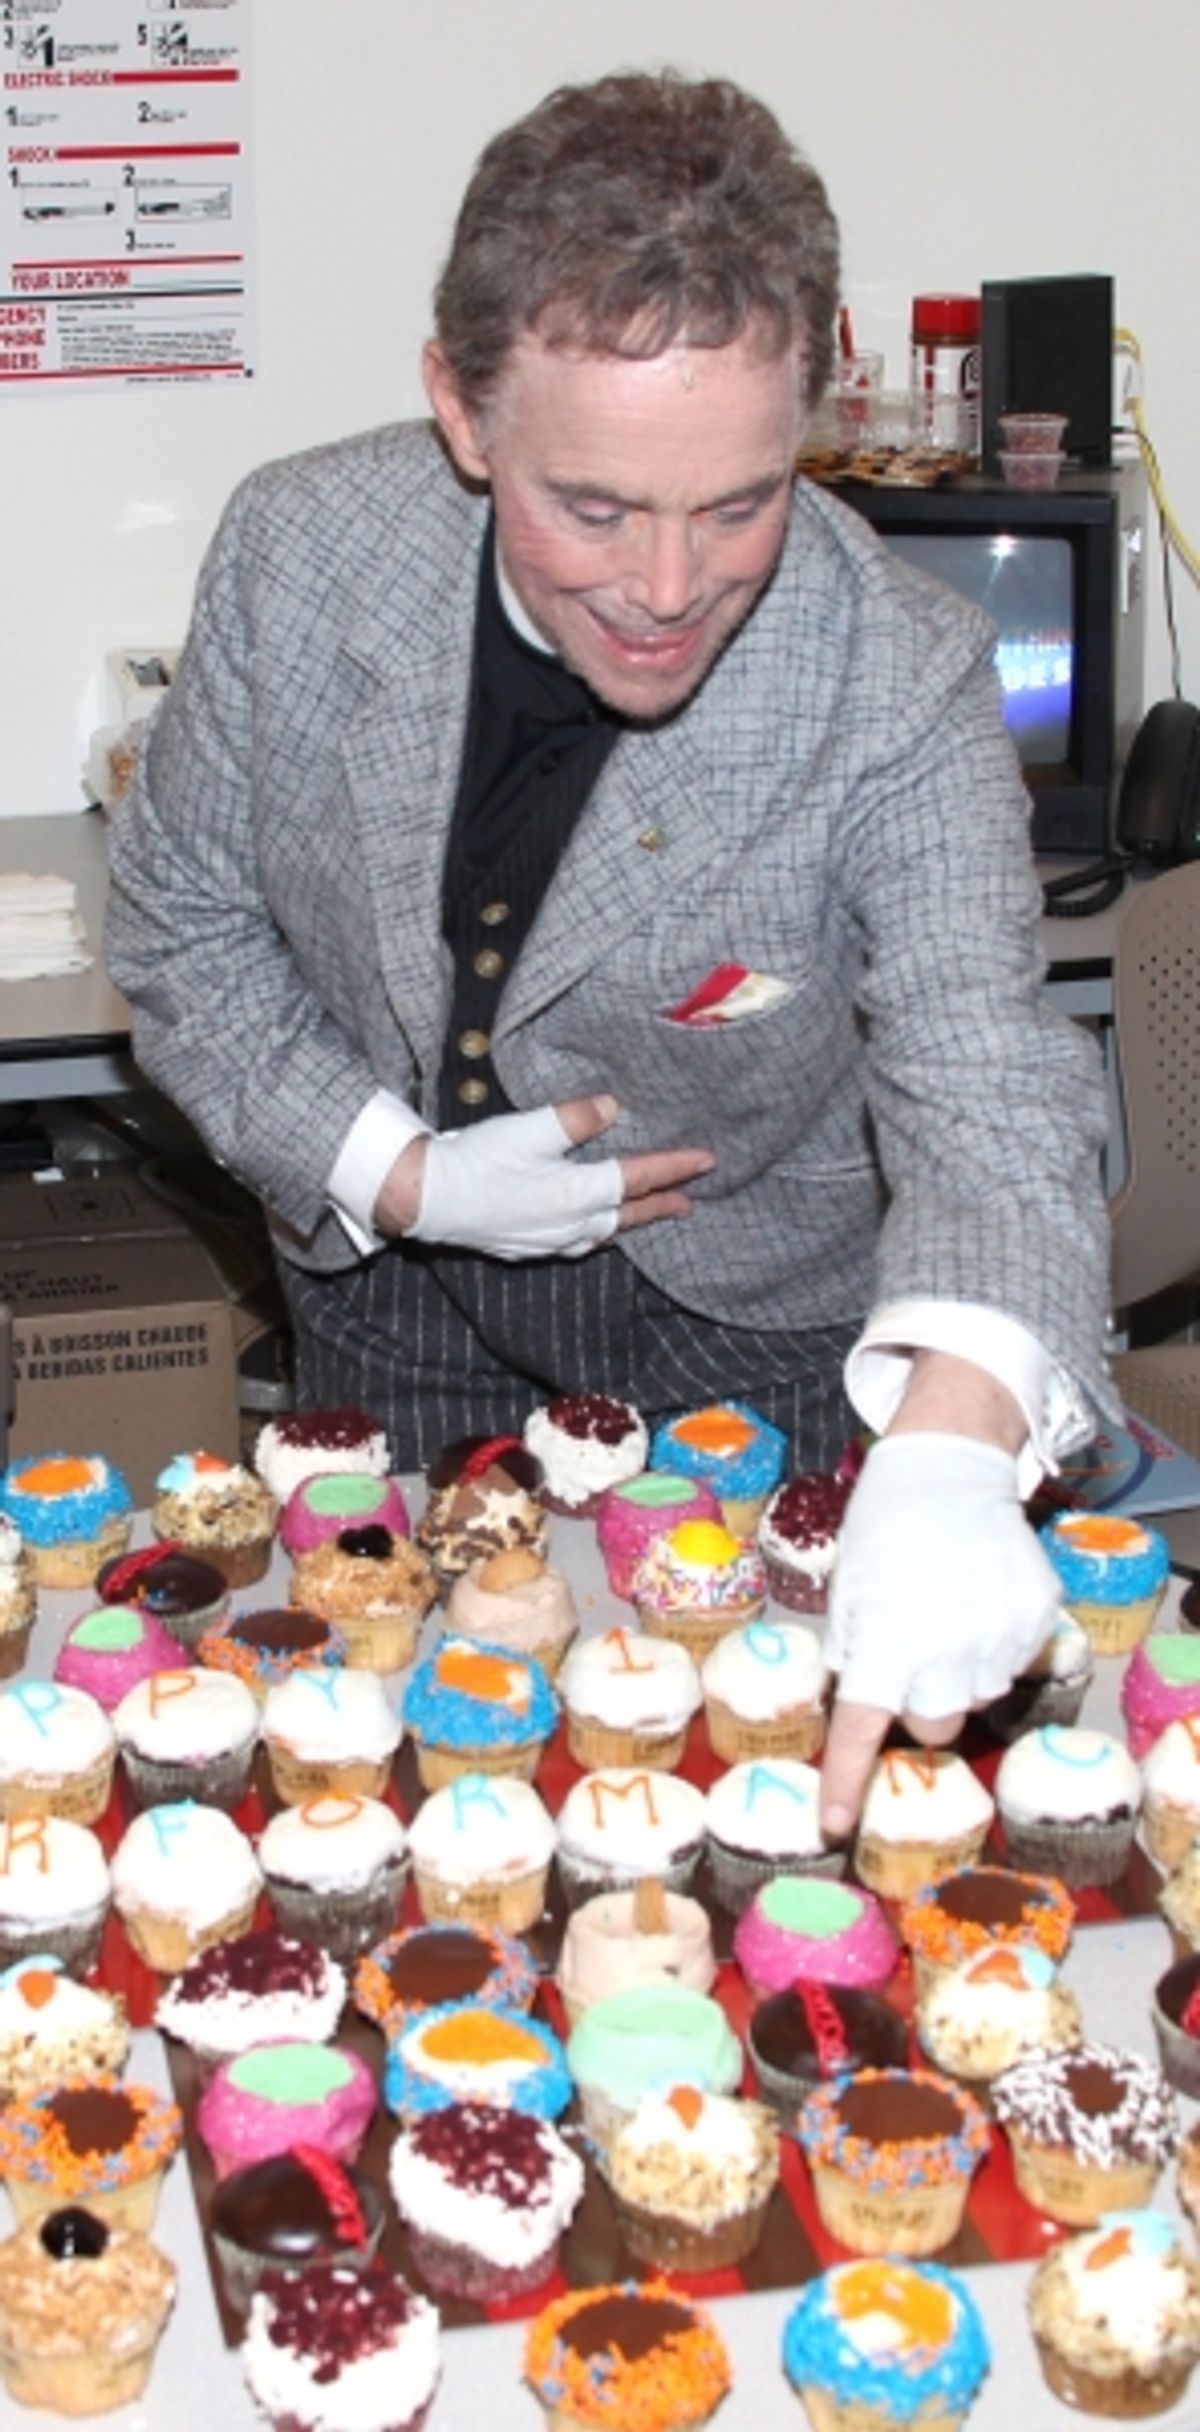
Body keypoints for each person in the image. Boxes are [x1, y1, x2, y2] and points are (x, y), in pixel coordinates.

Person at [105, 69, 1113, 1835]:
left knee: (748, 1827)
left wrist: (958, 1445)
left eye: (738, 506)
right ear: (462, 406)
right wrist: (395, 1170)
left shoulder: (896, 668)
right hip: (393, 1311)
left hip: (760, 1338)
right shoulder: (300, 553)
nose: (665, 585)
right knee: (406, 1792)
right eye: (596, 507)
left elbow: (990, 1074)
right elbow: (184, 926)